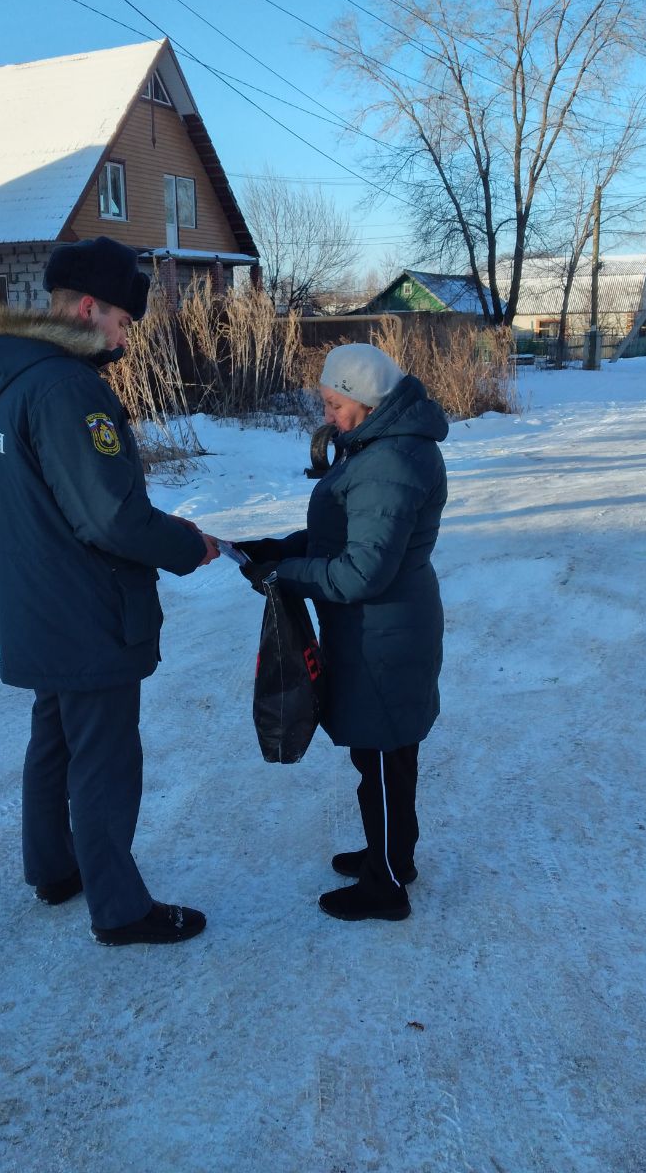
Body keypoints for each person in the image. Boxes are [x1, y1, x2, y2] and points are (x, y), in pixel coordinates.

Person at [0, 236, 218, 946]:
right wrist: (184, 542)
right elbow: (109, 515)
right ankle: (119, 908)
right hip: (87, 610)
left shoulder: (14, 379)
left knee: (54, 742)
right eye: (124, 322)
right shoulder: (68, 389)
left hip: (41, 604)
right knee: (104, 759)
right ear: (88, 307)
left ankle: (55, 868)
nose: (125, 336)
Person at [236, 343, 448, 923]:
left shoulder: (390, 461)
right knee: (389, 753)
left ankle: (385, 887)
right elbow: (346, 538)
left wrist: (286, 574)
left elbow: (361, 572)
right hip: (381, 629)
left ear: (364, 398)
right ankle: (393, 857)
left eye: (334, 403)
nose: (327, 414)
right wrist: (279, 549)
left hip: (381, 633)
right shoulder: (379, 446)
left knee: (380, 756)